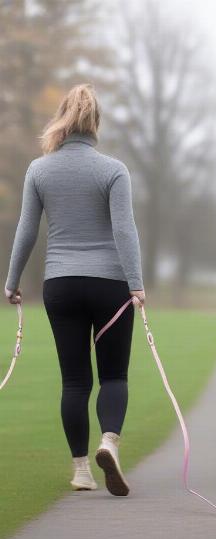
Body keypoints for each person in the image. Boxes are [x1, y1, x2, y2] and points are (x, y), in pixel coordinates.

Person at [3, 83, 145, 496]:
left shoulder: (39, 170)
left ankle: (81, 470)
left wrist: (12, 281)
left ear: (62, 119)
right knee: (114, 375)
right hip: (110, 285)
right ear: (95, 122)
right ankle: (109, 442)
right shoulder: (113, 170)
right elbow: (124, 229)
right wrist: (136, 284)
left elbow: (27, 230)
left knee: (74, 381)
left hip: (61, 284)